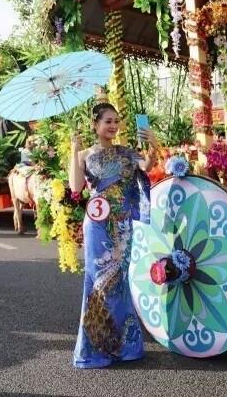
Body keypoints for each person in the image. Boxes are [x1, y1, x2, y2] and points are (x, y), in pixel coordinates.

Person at [68, 103, 159, 368]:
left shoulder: (126, 153)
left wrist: (152, 144)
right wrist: (74, 151)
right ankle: (96, 349)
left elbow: (148, 166)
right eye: (108, 121)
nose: (113, 126)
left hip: (122, 224)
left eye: (116, 121)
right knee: (98, 283)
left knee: (119, 282)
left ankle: (125, 346)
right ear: (95, 124)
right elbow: (75, 187)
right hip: (97, 224)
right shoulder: (84, 154)